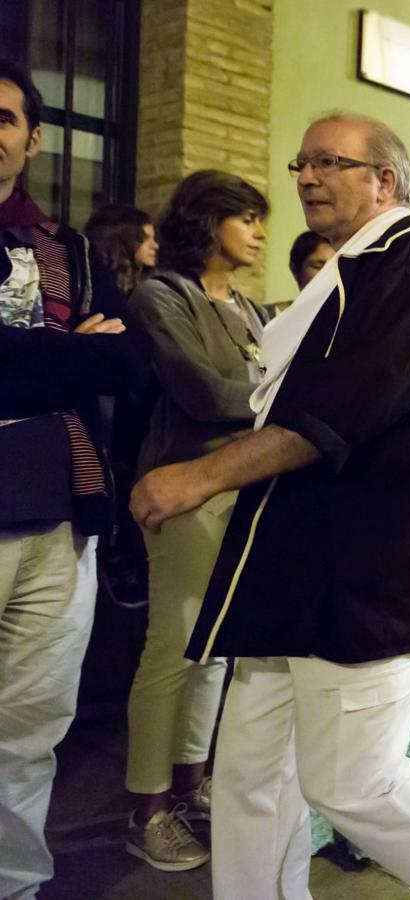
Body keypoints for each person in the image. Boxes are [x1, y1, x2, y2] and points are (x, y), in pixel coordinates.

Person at [128, 112, 410, 898]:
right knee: (252, 782)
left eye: (330, 162)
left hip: (364, 570)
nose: (306, 178)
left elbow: (342, 409)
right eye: (302, 162)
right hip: (294, 567)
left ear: (384, 181)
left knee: (355, 782)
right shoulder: (346, 272)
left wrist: (197, 476)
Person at [0, 58, 150, 899]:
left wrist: (39, 361)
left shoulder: (65, 248)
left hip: (60, 512)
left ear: (32, 139)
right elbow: (87, 361)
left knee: (28, 733)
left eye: (5, 117)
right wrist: (68, 357)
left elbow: (129, 362)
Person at [120, 171, 271, 872]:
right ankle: (144, 806)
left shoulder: (249, 307)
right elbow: (203, 392)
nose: (260, 231)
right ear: (208, 223)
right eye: (247, 217)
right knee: (173, 645)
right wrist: (280, 401)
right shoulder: (161, 295)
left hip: (246, 484)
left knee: (216, 649)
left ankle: (190, 782)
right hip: (185, 484)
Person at [84, 204, 158, 296]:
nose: (155, 246)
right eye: (144, 239)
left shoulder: (152, 284)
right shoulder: (96, 284)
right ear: (121, 241)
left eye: (154, 239)